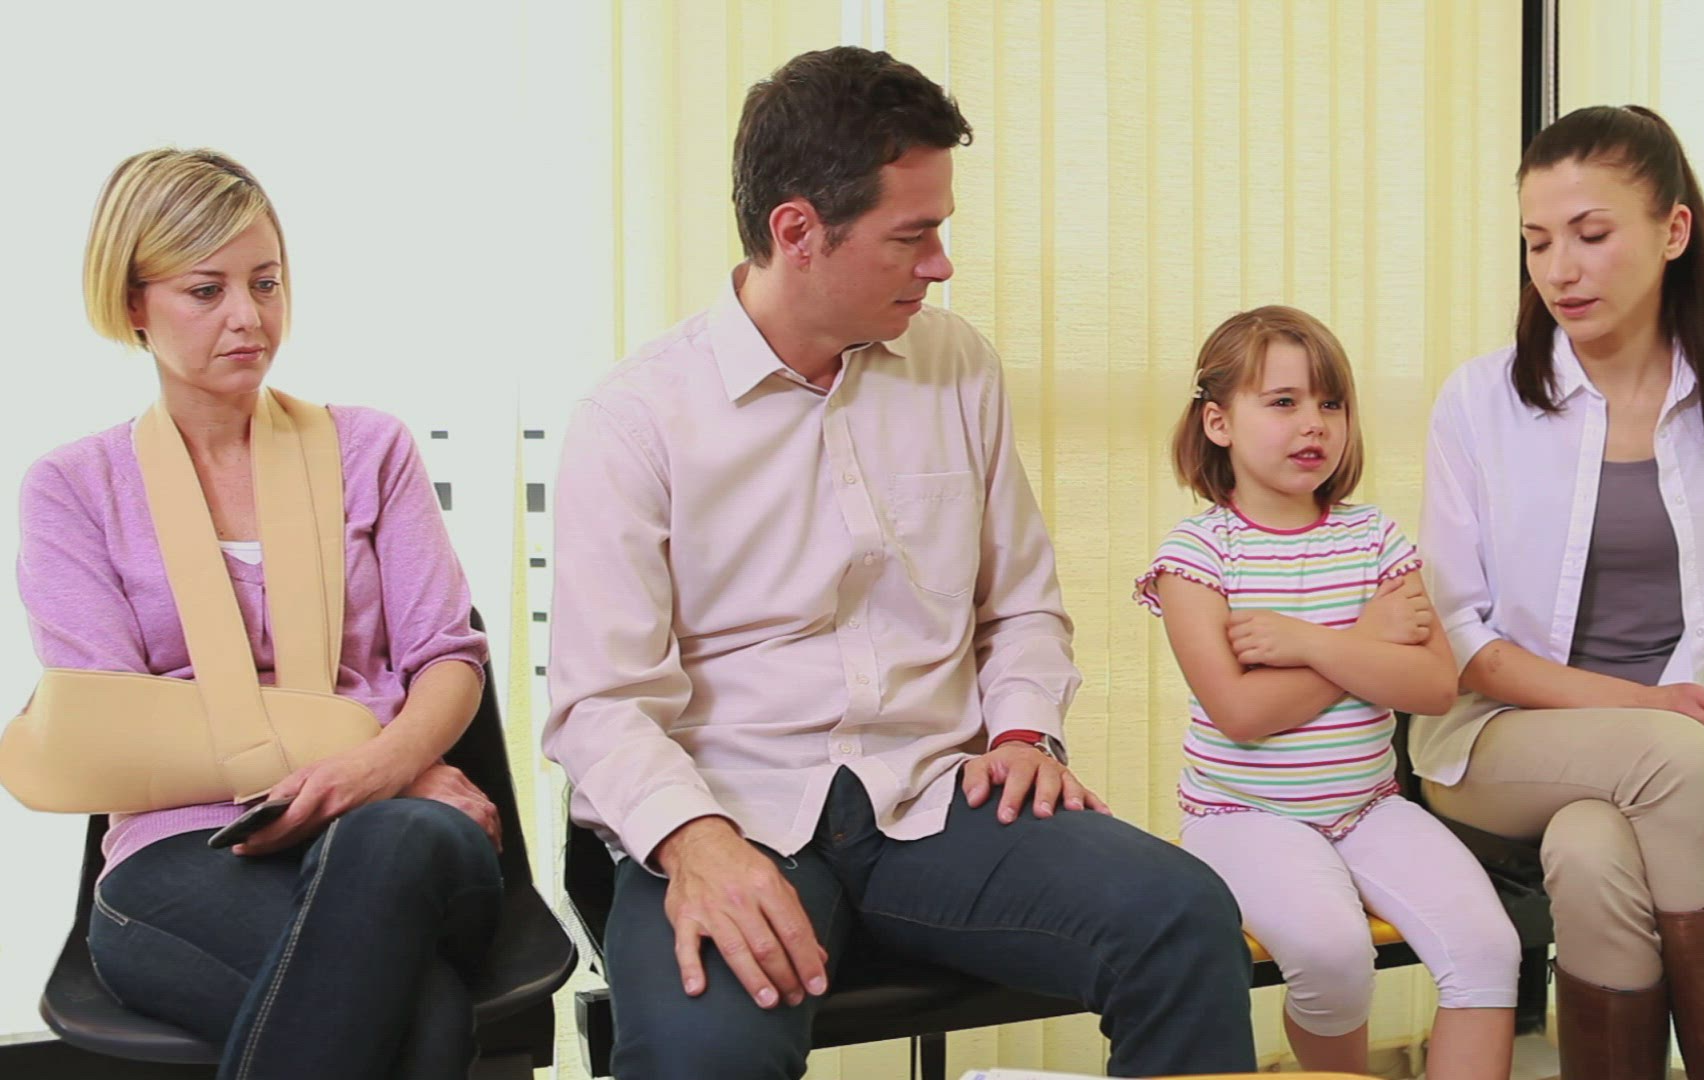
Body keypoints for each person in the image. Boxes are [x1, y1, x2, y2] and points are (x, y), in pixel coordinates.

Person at [544, 46, 1257, 1079]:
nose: (941, 265)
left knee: (1182, 918)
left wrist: (1025, 731)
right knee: (705, 1054)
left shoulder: (956, 366)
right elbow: (601, 703)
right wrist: (696, 843)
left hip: (935, 801)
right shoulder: (634, 421)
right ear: (798, 231)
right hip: (729, 811)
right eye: (912, 236)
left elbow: (1020, 605)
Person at [19, 148, 503, 1079]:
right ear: (133, 303)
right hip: (185, 847)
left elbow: (449, 657)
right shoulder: (72, 490)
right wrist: (385, 764)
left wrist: (377, 775)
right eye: (207, 290)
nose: (249, 317)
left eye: (266, 283)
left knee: (393, 840)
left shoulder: (371, 449)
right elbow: (119, 731)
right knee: (428, 1025)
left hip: (401, 829)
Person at [1414, 105, 1704, 1080]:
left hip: (1653, 760)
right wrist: (1655, 709)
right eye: (1538, 241)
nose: (1560, 269)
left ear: (1673, 232)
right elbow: (1466, 644)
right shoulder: (1481, 402)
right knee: (1670, 754)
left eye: (1590, 234)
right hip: (1494, 740)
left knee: (1591, 855)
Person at [1137, 305, 1519, 1079]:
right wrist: (1368, 639)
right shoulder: (1196, 557)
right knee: (1333, 954)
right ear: (1218, 422)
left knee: (1490, 949)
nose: (1314, 422)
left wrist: (1311, 642)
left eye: (1331, 403)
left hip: (1367, 807)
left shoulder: (1376, 538)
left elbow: (1433, 686)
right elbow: (1241, 714)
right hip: (1242, 817)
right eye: (1283, 402)